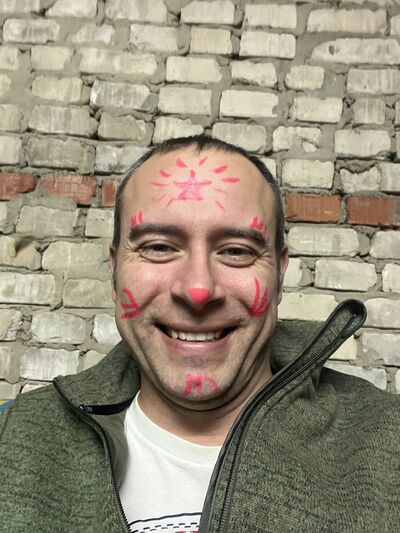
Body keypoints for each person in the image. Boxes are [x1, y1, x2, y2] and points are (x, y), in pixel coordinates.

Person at [0, 135, 399, 533]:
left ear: (279, 274)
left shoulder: (388, 440)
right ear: (115, 269)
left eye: (237, 251)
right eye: (159, 247)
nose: (198, 290)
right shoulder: (14, 436)